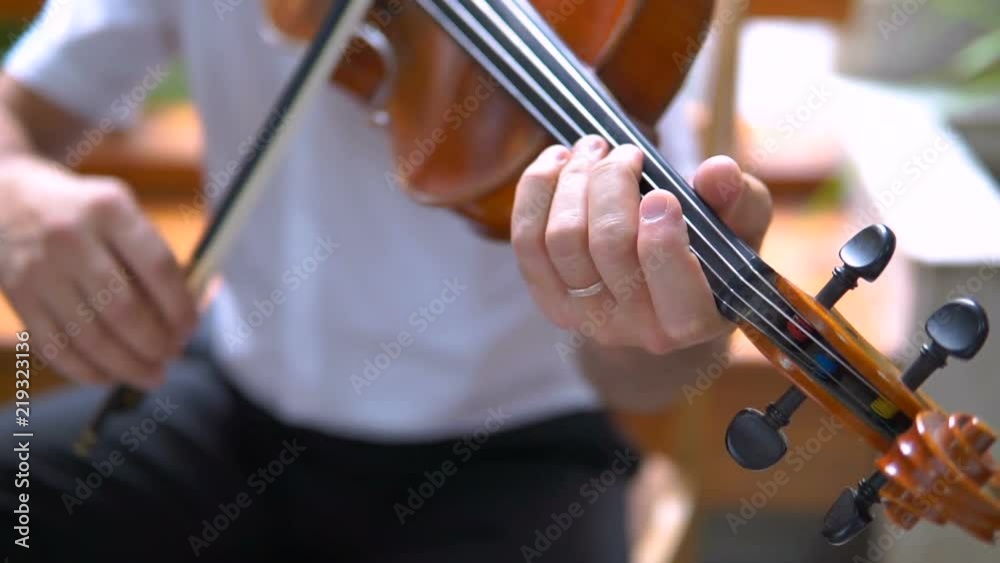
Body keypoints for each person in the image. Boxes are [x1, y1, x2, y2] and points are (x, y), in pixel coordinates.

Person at [0, 1, 771, 562]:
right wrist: (17, 196)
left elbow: (660, 371)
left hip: (511, 456)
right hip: (231, 404)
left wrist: (650, 324)